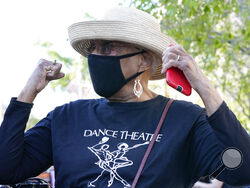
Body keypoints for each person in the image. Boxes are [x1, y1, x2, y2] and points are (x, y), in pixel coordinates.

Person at [0, 7, 249, 188]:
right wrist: (27, 94)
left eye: (108, 47)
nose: (97, 56)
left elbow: (242, 169)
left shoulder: (185, 120)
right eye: (93, 49)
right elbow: (6, 169)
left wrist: (204, 86)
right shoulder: (66, 117)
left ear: (145, 59)